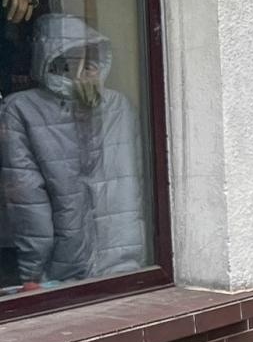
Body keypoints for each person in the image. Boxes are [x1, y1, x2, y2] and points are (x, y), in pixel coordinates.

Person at [0, 14, 147, 286]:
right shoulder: (118, 105)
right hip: (124, 267)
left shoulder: (21, 109)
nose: (83, 67)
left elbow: (27, 203)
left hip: (64, 274)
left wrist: (31, 272)